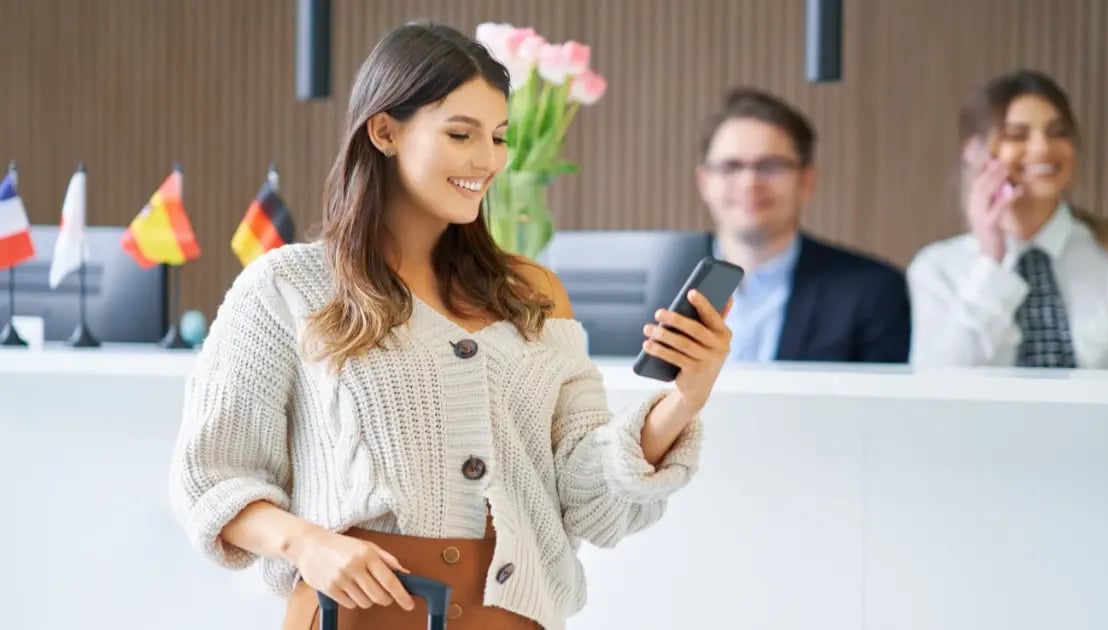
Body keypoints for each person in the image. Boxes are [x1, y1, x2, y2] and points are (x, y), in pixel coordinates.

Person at [167, 22, 732, 630]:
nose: (486, 160)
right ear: (384, 131)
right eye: (461, 134)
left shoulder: (532, 295)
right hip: (357, 616)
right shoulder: (287, 287)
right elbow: (211, 477)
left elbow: (587, 497)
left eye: (498, 137)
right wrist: (306, 543)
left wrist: (682, 398)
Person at [907, 70, 1108, 368]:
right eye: (1017, 135)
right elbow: (938, 387)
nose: (1042, 148)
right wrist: (991, 262)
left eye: (1057, 132)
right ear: (974, 152)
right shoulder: (937, 269)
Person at [695, 88, 911, 364]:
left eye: (770, 166)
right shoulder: (662, 285)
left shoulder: (871, 291)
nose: (750, 183)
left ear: (807, 181)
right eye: (731, 166)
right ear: (704, 181)